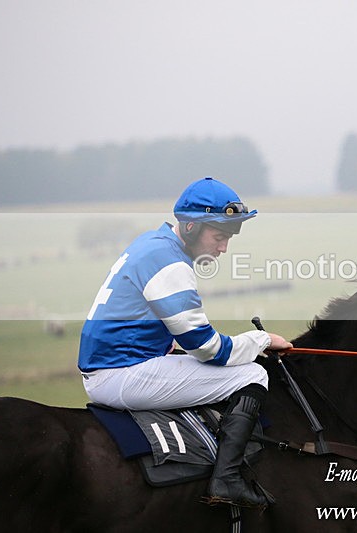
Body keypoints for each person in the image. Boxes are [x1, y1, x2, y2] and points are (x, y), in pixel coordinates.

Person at [78, 176, 292, 508]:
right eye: (219, 236)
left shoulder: (152, 242)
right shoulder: (169, 261)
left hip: (117, 366)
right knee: (253, 375)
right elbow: (207, 348)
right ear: (191, 227)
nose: (223, 249)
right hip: (121, 374)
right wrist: (261, 339)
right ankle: (227, 480)